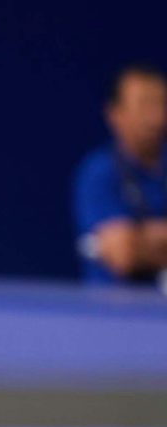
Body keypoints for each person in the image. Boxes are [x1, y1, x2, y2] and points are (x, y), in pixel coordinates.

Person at [74, 64, 167, 285]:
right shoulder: (98, 172)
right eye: (144, 105)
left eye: (160, 104)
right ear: (114, 114)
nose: (155, 117)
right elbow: (123, 254)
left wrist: (140, 239)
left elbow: (130, 246)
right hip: (115, 304)